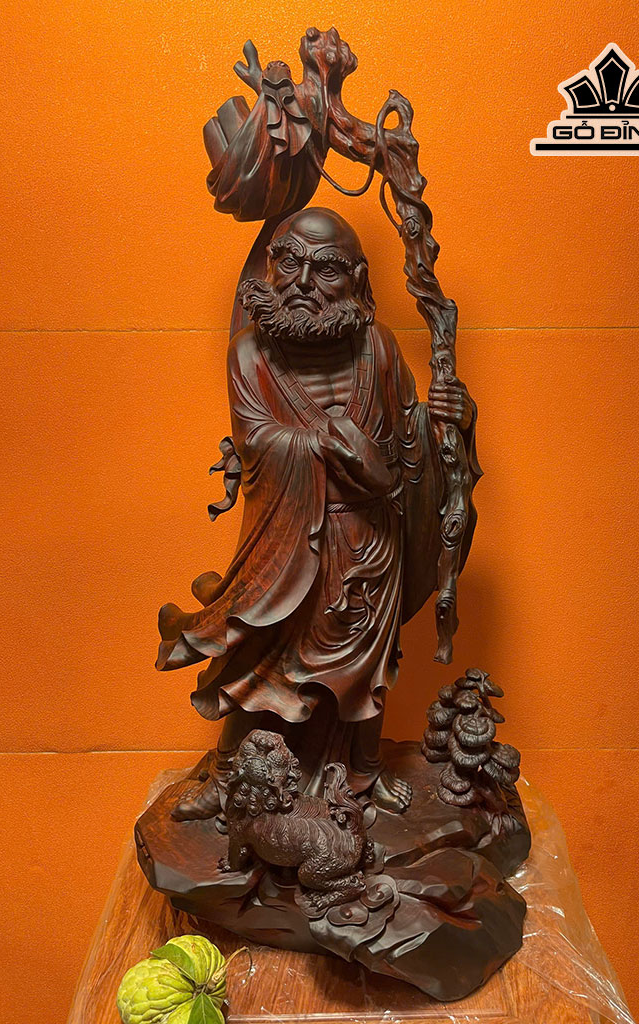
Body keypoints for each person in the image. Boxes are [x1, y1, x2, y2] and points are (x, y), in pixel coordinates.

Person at [156, 207, 482, 819]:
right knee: (261, 666)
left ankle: (364, 772)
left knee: (367, 668)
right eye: (290, 262)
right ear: (271, 266)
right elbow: (257, 440)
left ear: (356, 279)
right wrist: (332, 442)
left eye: (325, 268)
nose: (303, 281)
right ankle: (230, 775)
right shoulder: (250, 354)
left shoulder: (379, 349)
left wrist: (450, 421)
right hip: (286, 542)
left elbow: (409, 448)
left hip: (369, 539)